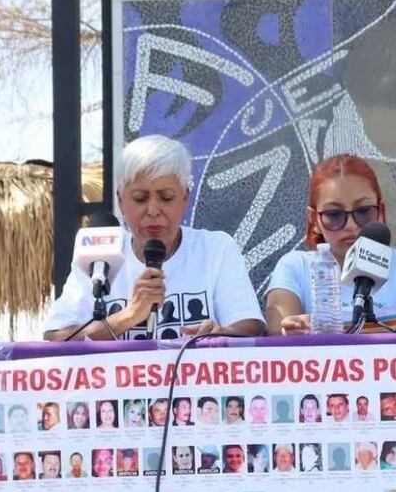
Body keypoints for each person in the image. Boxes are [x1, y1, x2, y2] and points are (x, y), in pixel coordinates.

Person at [44, 135, 264, 340]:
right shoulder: (98, 254)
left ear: (185, 197)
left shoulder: (216, 248)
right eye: (140, 198)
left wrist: (220, 335)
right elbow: (56, 338)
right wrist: (127, 317)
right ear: (121, 201)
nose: (153, 210)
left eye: (166, 197)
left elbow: (251, 327)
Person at [266, 154, 396, 334]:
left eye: (363, 211)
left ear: (380, 212)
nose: (351, 226)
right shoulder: (295, 266)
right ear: (314, 220)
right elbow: (276, 337)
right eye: (334, 214)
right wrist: (296, 331)